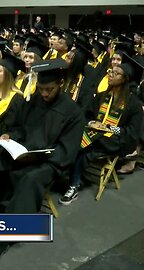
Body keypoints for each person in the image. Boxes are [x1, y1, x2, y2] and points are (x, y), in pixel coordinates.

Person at [0, 59, 85, 264]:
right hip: (24, 153)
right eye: (41, 88)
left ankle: (3, 238)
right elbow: (19, 126)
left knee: (30, 179)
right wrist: (10, 136)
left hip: (50, 162)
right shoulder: (33, 101)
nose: (44, 94)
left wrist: (41, 156)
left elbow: (67, 150)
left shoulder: (73, 113)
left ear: (60, 84)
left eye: (49, 89)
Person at [59, 54, 144, 205]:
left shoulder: (134, 104)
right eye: (111, 71)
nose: (110, 75)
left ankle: (73, 186)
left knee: (83, 146)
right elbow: (87, 115)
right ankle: (65, 174)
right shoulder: (102, 96)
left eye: (116, 73)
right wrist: (92, 122)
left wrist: (109, 128)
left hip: (116, 140)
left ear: (125, 79)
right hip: (96, 134)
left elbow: (132, 132)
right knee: (76, 138)